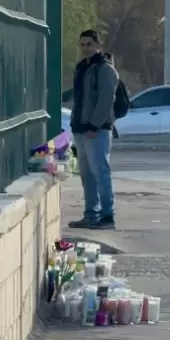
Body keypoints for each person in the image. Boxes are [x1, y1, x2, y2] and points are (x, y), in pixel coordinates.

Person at [68, 29, 118, 230]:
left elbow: (106, 100)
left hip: (96, 130)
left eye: (89, 44)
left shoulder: (105, 69)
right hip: (80, 128)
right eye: (82, 44)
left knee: (101, 173)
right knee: (86, 175)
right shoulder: (82, 67)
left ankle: (107, 216)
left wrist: (94, 125)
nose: (85, 48)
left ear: (98, 45)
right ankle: (91, 214)